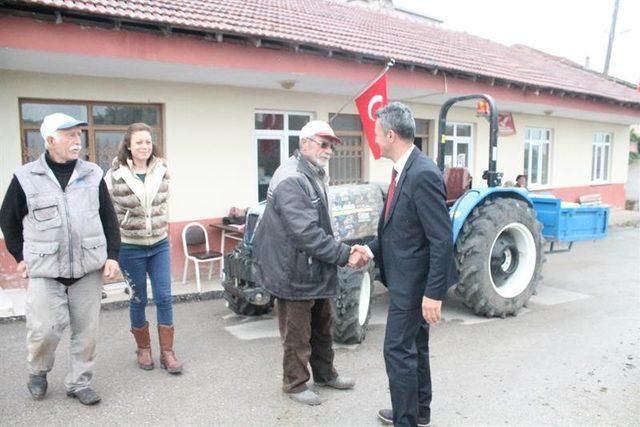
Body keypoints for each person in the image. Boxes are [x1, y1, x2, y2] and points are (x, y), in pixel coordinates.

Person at [0, 113, 121, 405]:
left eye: (78, 134)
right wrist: (19, 255)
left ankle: (79, 383)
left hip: (87, 269)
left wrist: (112, 256)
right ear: (50, 139)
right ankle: (38, 371)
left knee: (86, 333)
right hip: (45, 270)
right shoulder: (26, 177)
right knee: (44, 331)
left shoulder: (92, 173)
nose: (76, 140)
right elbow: (8, 219)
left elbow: (108, 217)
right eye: (69, 135)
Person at [353, 103, 456, 426]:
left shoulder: (422, 173)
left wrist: (433, 294)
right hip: (405, 278)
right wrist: (370, 249)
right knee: (415, 346)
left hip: (414, 286)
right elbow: (399, 229)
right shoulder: (402, 170)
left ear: (392, 135)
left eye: (378, 133)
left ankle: (406, 420)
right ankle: (419, 412)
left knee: (397, 351)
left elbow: (441, 239)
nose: (376, 139)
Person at [252, 120, 366, 406]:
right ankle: (294, 384)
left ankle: (325, 374)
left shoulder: (312, 173)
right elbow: (305, 232)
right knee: (297, 332)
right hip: (293, 269)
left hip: (312, 266)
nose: (329, 150)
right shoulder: (292, 177)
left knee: (322, 325)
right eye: (323, 143)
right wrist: (344, 254)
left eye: (331, 145)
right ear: (305, 143)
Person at [104, 123, 182, 374]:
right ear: (128, 144)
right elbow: (106, 212)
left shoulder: (162, 169)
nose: (144, 146)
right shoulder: (115, 174)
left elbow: (165, 202)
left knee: (164, 296)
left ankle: (168, 353)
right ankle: (144, 348)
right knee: (138, 298)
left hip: (159, 244)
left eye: (148, 142)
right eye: (139, 142)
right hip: (130, 247)